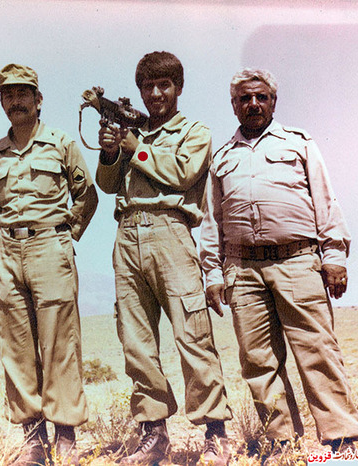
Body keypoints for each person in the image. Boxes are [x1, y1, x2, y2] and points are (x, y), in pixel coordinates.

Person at [200, 68, 358, 455]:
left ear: (273, 101)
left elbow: (325, 200)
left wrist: (334, 256)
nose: (253, 104)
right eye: (245, 98)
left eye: (261, 97)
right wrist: (213, 274)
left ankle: (342, 440)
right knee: (258, 360)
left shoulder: (299, 144)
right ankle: (281, 442)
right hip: (242, 270)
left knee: (317, 351)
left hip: (298, 262)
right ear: (234, 105)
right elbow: (212, 221)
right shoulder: (221, 158)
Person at [96, 51, 233, 466]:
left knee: (193, 335)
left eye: (164, 85)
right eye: (147, 87)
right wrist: (110, 152)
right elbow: (107, 184)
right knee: (136, 340)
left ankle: (215, 433)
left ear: (178, 88)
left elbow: (182, 174)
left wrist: (135, 148)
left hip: (171, 232)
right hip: (127, 234)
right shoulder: (132, 131)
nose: (155, 94)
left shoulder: (194, 132)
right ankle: (153, 434)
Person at [0, 63, 98, 466]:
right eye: (8, 94)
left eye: (22, 93)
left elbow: (87, 196)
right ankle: (33, 441)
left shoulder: (61, 144)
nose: (15, 101)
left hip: (50, 248)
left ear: (38, 99)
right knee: (16, 347)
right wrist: (11, 239)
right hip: (8, 252)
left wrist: (64, 236)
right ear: (2, 102)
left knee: (59, 344)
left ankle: (65, 437)